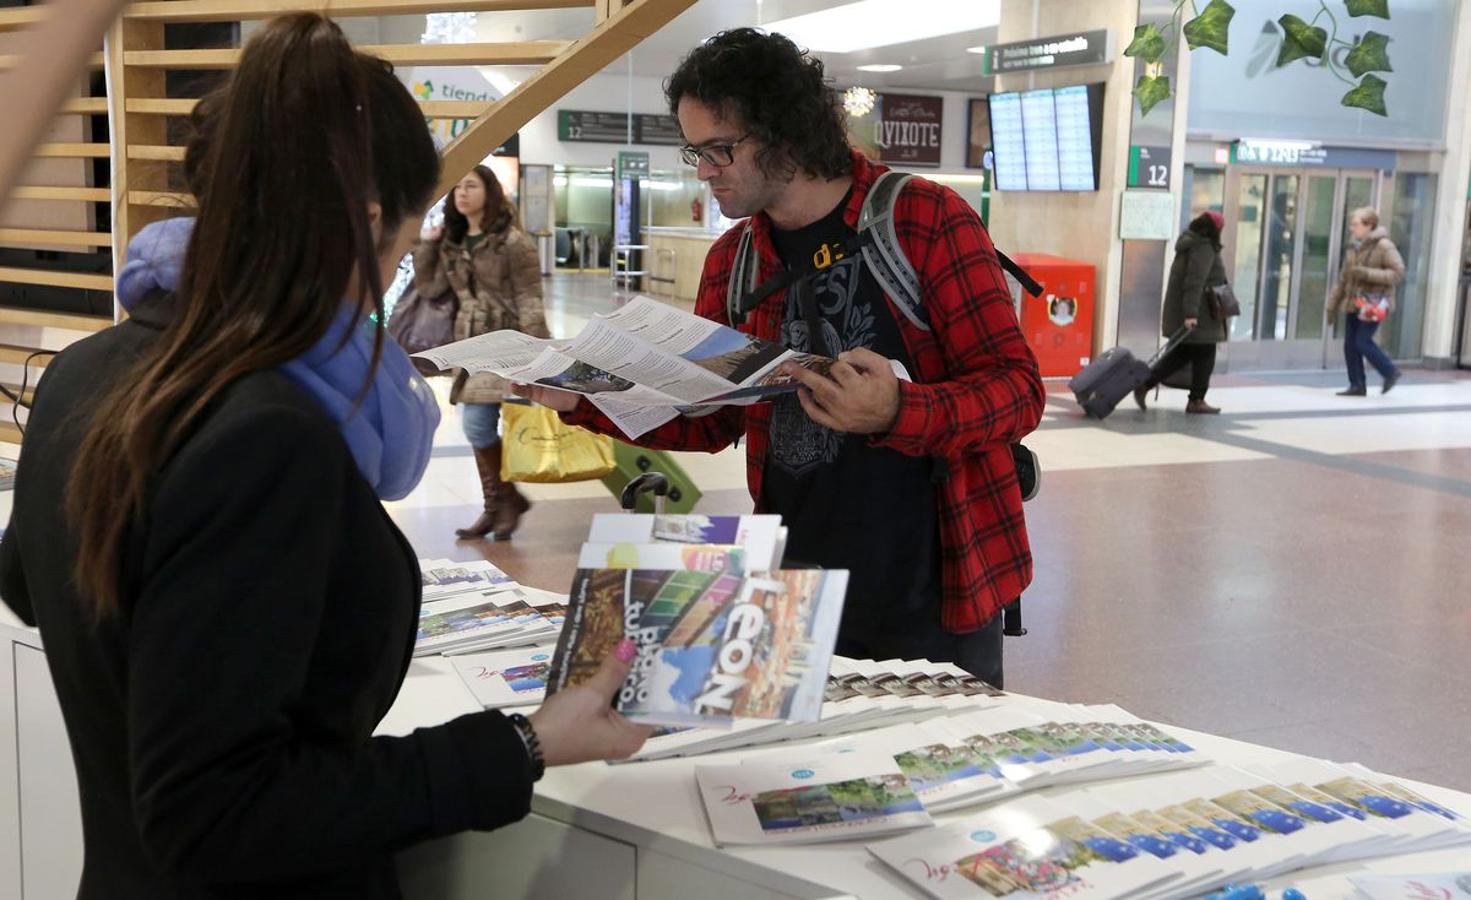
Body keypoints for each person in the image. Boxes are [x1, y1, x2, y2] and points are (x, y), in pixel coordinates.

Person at [0, 16, 647, 899]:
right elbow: (216, 814)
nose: (390, 276)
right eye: (401, 244)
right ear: (366, 221)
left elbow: (32, 584)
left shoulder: (88, 373)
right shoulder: (267, 432)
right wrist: (522, 744)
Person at [519, 29, 1045, 686]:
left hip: (936, 583)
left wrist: (896, 409)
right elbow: (712, 419)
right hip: (791, 584)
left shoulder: (922, 219)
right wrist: (582, 397)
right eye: (694, 151)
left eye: (720, 149)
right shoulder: (733, 261)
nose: (703, 170)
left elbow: (1018, 391)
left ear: (786, 134)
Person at [414, 164, 549, 539]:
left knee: (476, 424)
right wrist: (428, 243)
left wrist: (539, 352)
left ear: (490, 192)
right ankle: (498, 505)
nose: (462, 193)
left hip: (505, 339)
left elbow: (529, 298)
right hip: (468, 341)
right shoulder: (453, 241)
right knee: (478, 425)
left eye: (470, 185)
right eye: (457, 187)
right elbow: (430, 287)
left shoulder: (512, 242)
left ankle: (503, 500)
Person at [1135, 210, 1229, 415]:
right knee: (1205, 356)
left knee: (1180, 354)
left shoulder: (1191, 244)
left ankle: (1145, 384)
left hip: (1196, 312)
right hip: (1201, 315)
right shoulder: (1203, 247)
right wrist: (1190, 314)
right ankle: (1196, 400)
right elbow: (1194, 282)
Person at [1328, 206, 1403, 396]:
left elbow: (1398, 273)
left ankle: (1390, 371)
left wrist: (1367, 274)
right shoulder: (1353, 247)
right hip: (1354, 302)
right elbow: (1343, 278)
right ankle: (1357, 384)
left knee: (1362, 341)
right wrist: (1332, 305)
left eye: (1356, 225)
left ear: (1369, 225)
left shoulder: (1384, 246)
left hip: (1373, 303)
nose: (1352, 229)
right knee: (1350, 345)